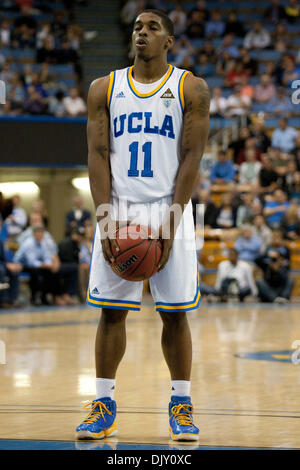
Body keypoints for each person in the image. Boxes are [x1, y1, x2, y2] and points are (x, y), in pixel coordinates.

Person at [75, 10, 210, 441]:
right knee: (111, 312)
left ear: (169, 40)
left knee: (175, 314)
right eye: (137, 27)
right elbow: (97, 154)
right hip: (119, 208)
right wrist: (104, 218)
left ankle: (181, 404)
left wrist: (173, 218)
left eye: (152, 28)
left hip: (170, 207)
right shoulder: (104, 88)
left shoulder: (191, 87)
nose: (142, 33)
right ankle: (103, 403)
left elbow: (191, 157)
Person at [14, 224, 60, 306]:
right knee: (34, 272)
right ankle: (34, 297)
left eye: (41, 233)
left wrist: (51, 265)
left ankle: (44, 296)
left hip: (37, 265)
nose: (39, 235)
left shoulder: (43, 242)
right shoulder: (29, 243)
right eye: (37, 233)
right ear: (34, 234)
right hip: (21, 265)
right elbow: (32, 262)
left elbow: (47, 257)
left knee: (49, 272)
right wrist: (48, 265)